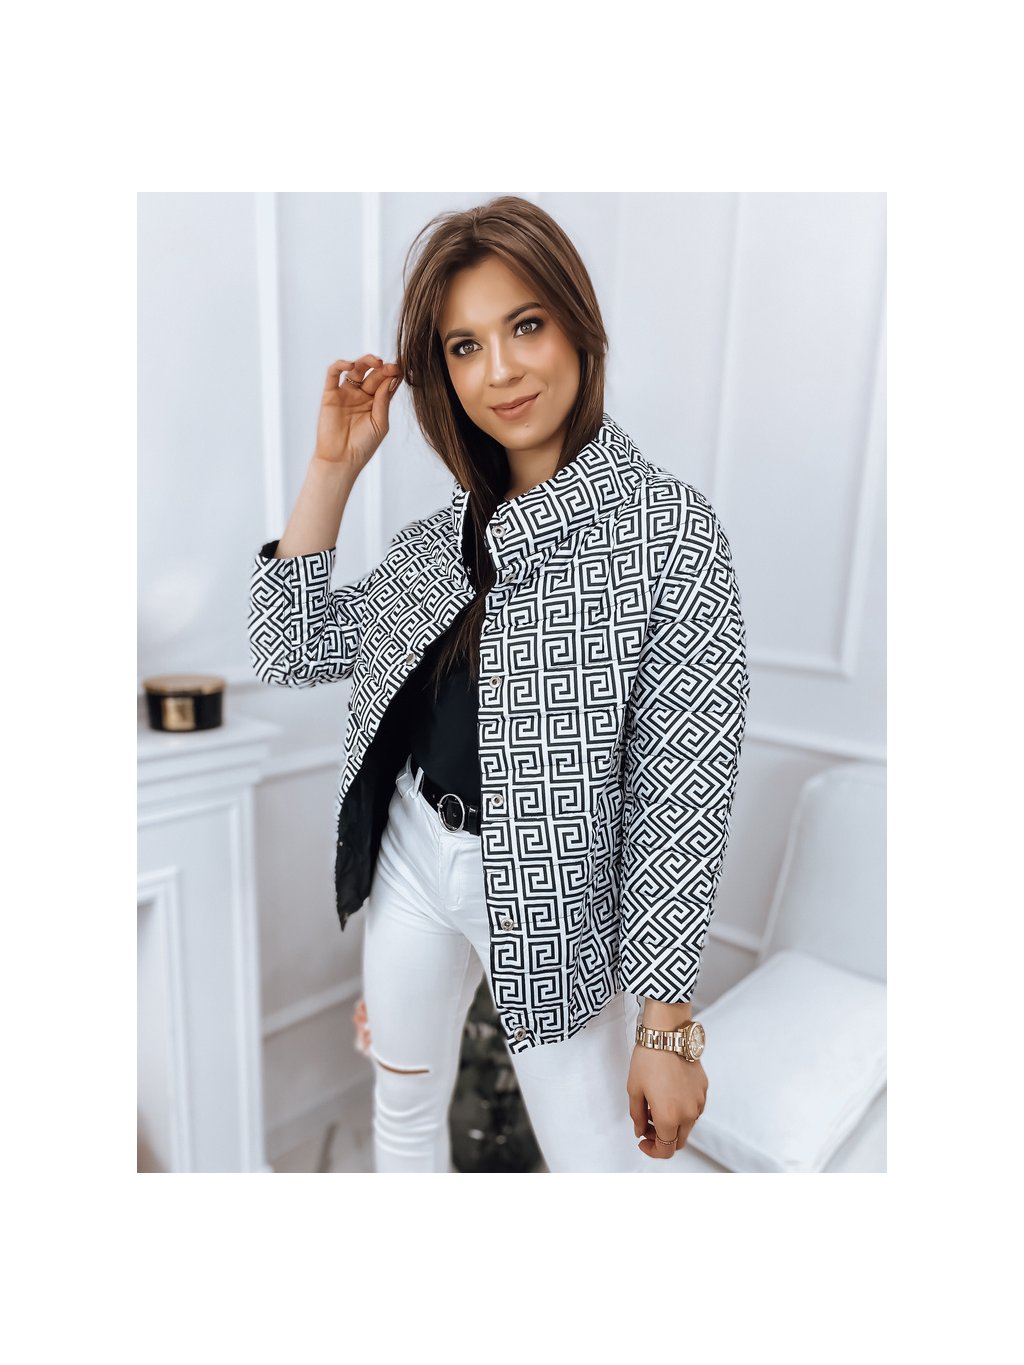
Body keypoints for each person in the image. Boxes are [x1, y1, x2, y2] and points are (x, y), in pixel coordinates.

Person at [247, 195, 751, 1173]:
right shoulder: (443, 539)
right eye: (465, 346)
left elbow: (680, 790)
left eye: (525, 325)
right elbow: (291, 647)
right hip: (410, 852)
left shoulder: (669, 532)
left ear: (577, 324)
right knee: (402, 1114)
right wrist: (331, 469)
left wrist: (668, 1024)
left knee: (597, 1163)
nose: (501, 370)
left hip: (556, 899)